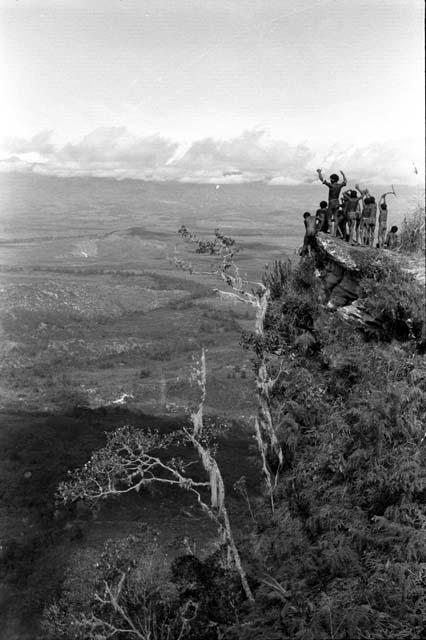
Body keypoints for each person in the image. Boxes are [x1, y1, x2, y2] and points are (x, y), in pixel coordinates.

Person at [316, 169, 347, 236]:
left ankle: (332, 233)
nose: (330, 180)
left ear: (332, 180)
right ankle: (335, 233)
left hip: (331, 202)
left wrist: (319, 172)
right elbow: (345, 182)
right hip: (337, 202)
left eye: (330, 179)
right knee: (335, 218)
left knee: (329, 218)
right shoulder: (339, 185)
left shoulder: (331, 185)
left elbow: (322, 179)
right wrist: (343, 174)